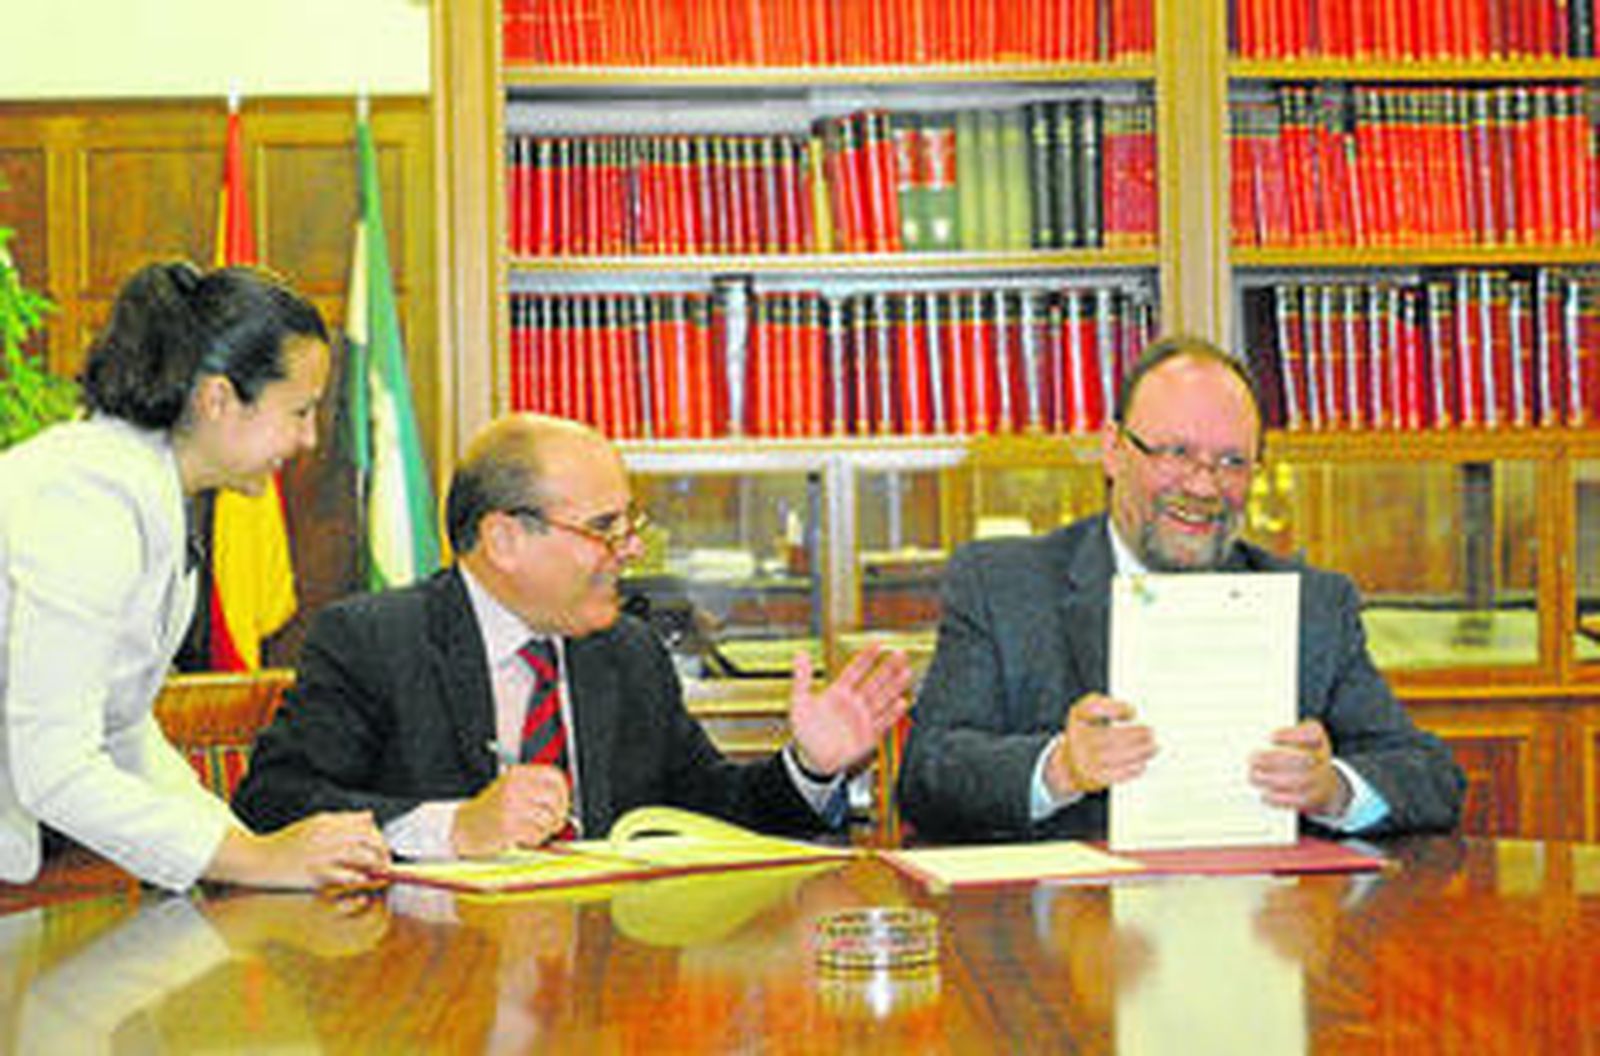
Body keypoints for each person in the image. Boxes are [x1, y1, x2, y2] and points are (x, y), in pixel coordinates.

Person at [233, 413, 914, 857]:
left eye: (629, 525)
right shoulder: (374, 641)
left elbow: (712, 815)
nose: (631, 551)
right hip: (432, 988)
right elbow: (273, 803)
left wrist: (810, 767)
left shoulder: (628, 652)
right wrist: (455, 828)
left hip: (609, 986)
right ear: (504, 539)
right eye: (603, 528)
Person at [897, 334, 1465, 842]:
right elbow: (928, 776)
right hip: (1071, 919)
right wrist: (1060, 768)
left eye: (1232, 462)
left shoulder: (1312, 605)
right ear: (1113, 449)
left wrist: (1332, 790)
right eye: (1177, 454)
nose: (1204, 486)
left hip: (1257, 913)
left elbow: (1431, 777)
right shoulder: (1002, 586)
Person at [0, 261, 389, 891]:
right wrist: (256, 860)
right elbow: (57, 768)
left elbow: (123, 729)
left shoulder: (147, 490)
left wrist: (248, 852)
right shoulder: (83, 499)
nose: (310, 439)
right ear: (218, 399)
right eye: (299, 411)